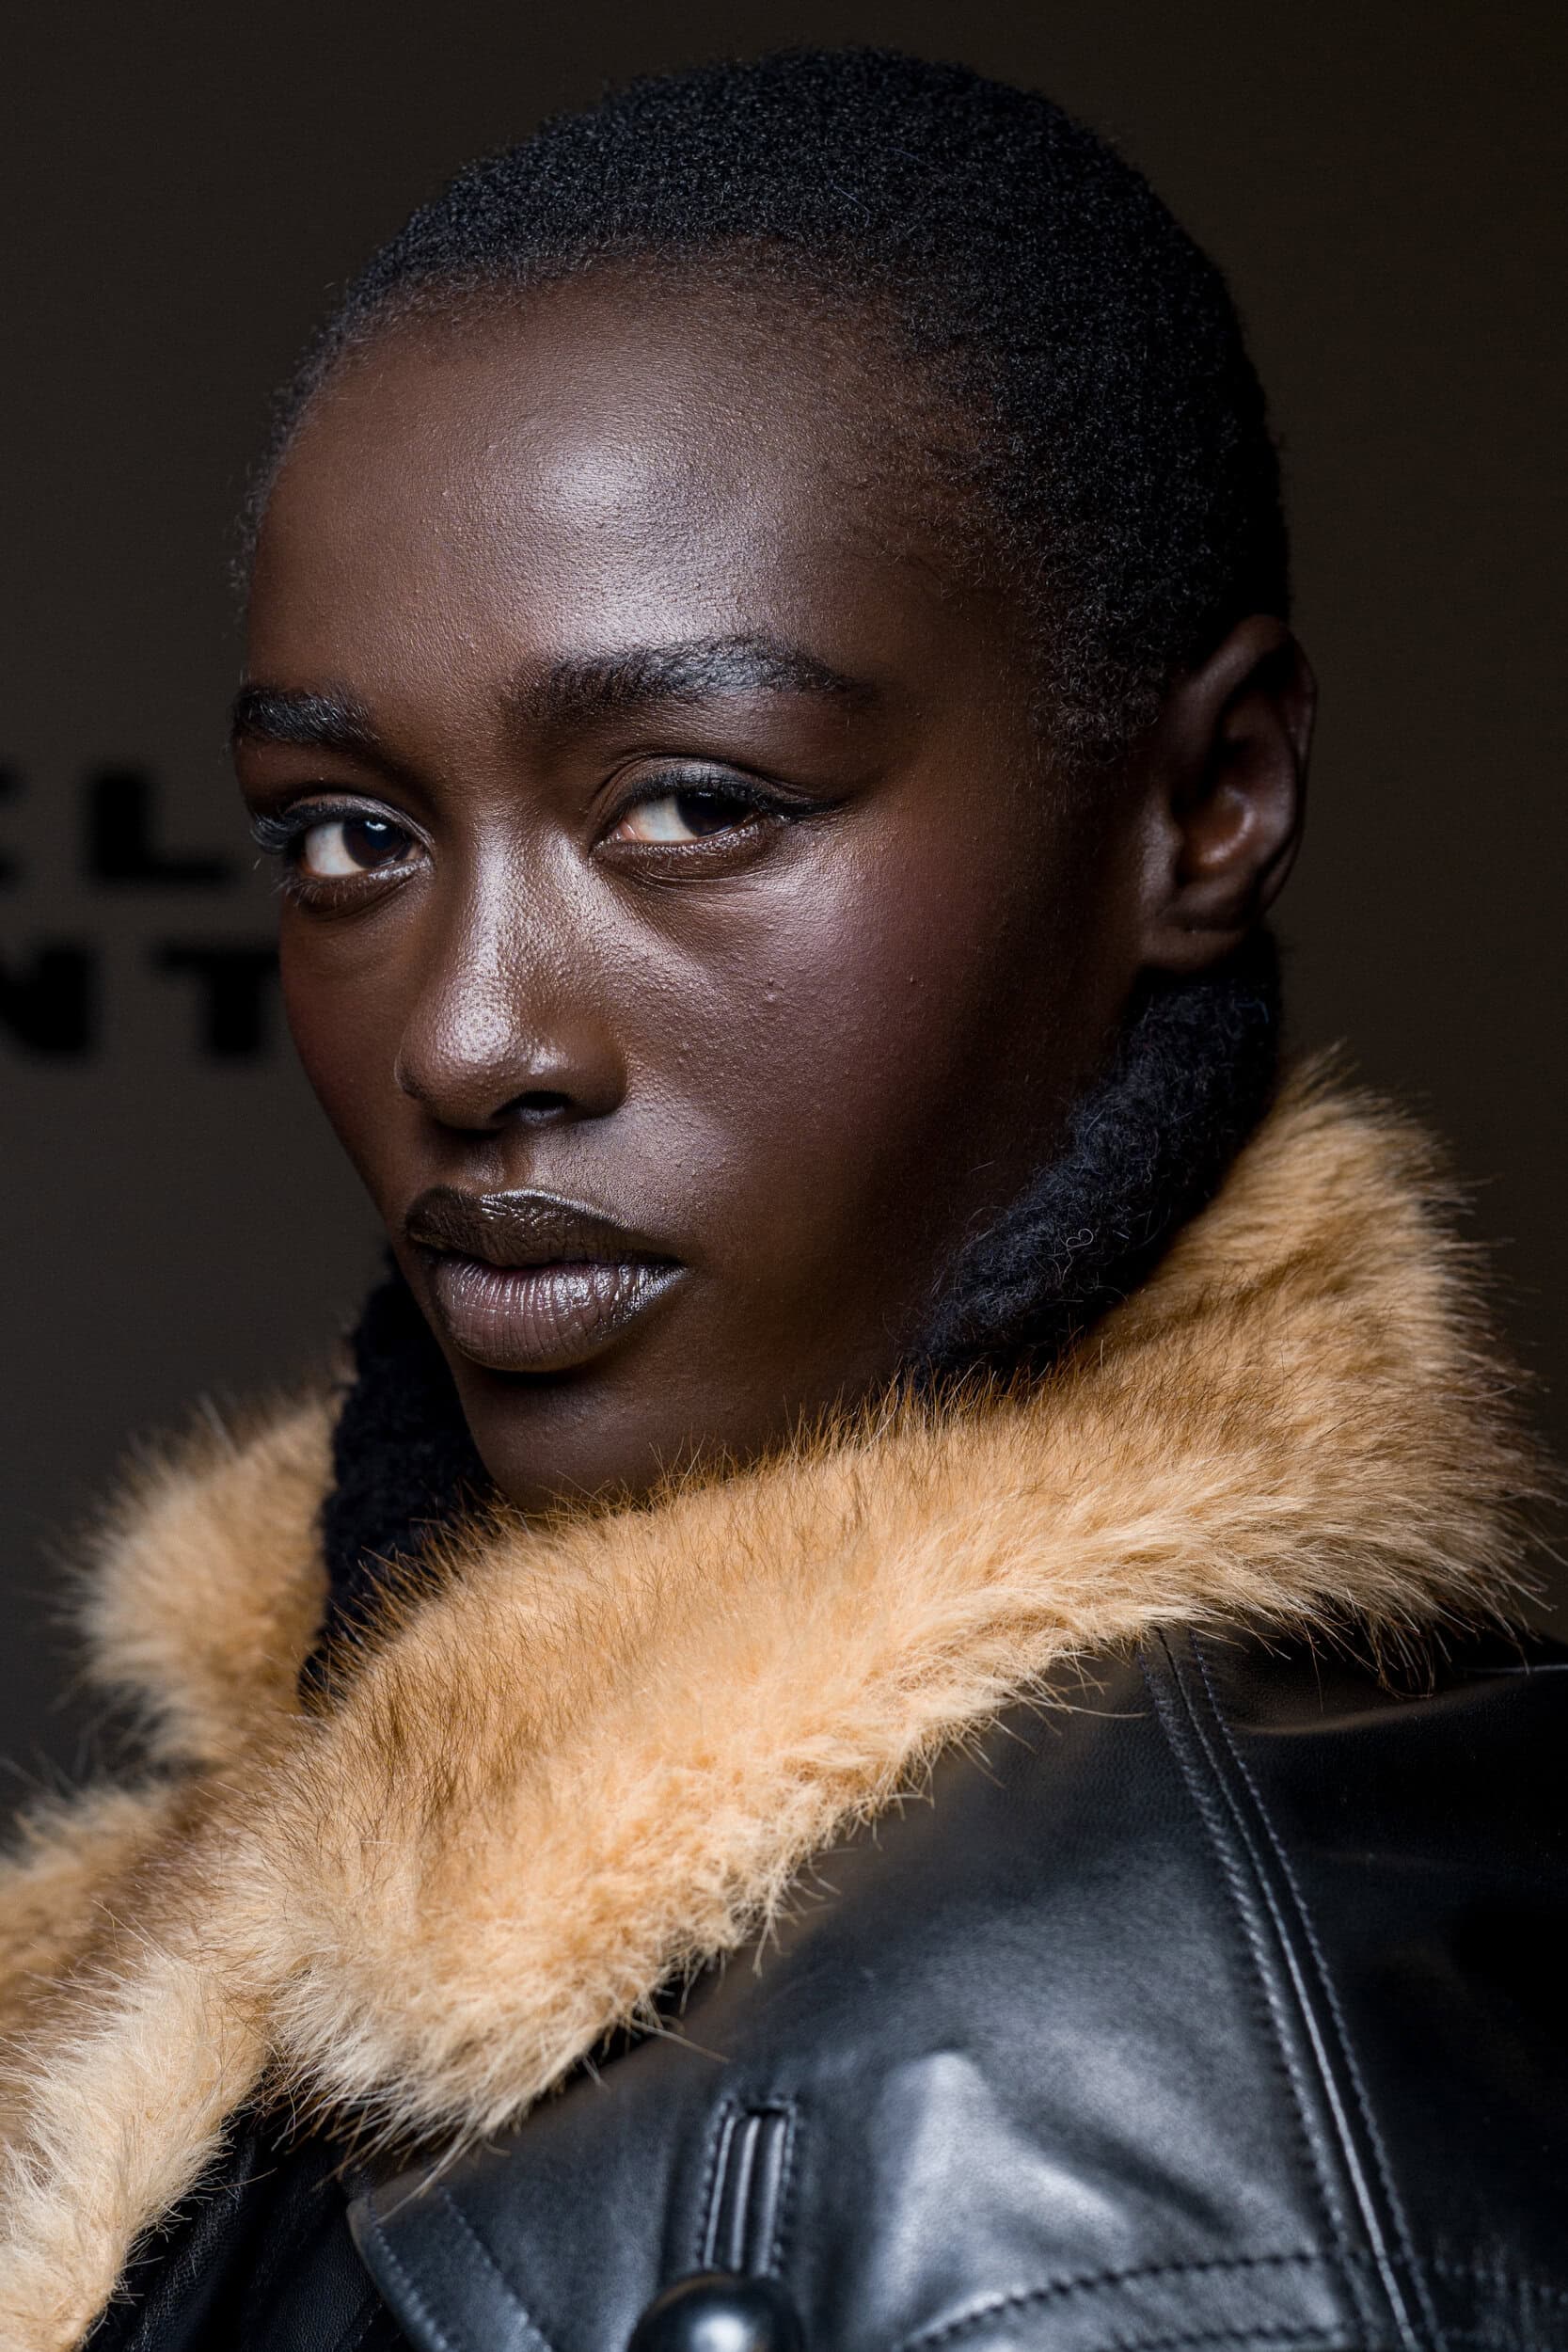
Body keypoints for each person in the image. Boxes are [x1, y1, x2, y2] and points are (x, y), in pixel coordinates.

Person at [1, 47, 1562, 2352]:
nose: (467, 1034)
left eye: (698, 805)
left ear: (1208, 798)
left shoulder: (1151, 2093)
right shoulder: (301, 1860)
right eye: (348, 832)